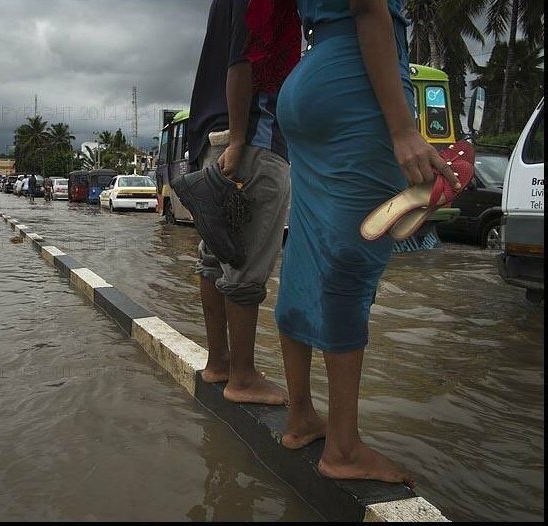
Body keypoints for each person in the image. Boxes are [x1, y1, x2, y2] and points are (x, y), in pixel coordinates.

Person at [273, 0, 460, 486]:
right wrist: (403, 130)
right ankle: (343, 447)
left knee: (305, 252)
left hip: (310, 77)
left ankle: (300, 419)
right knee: (350, 265)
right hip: (355, 82)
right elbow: (369, 8)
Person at [187, 0, 299, 405]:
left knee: (214, 256)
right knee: (246, 264)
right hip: (252, 138)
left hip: (213, 138)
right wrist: (239, 139)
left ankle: (219, 363)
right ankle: (244, 377)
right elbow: (244, 59)